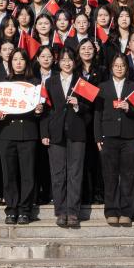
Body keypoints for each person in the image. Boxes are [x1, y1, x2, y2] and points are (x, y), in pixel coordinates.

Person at [42, 48, 89, 228]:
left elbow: (90, 109)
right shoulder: (50, 82)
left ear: (75, 62)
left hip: (77, 131)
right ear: (58, 62)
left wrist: (78, 105)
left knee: (75, 173)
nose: (67, 63)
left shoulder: (81, 82)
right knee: (58, 173)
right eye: (63, 60)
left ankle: (73, 212)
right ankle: (61, 211)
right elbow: (45, 109)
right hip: (56, 132)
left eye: (70, 60)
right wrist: (44, 133)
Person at [0, 49, 43, 225]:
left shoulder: (35, 83)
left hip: (28, 133)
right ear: (10, 62)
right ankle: (11, 209)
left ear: (26, 62)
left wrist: (38, 111)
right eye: (14, 59)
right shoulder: (3, 83)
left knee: (27, 174)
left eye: (21, 59)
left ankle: (25, 210)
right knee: (9, 174)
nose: (18, 62)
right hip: (7, 133)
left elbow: (41, 111)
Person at [94, 52, 134, 226]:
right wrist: (98, 136)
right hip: (109, 136)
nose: (119, 68)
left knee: (129, 175)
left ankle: (127, 211)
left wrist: (130, 108)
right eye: (116, 65)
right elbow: (97, 114)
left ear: (127, 68)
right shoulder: (103, 87)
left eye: (122, 65)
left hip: (129, 137)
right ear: (111, 67)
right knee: (110, 175)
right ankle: (111, 210)